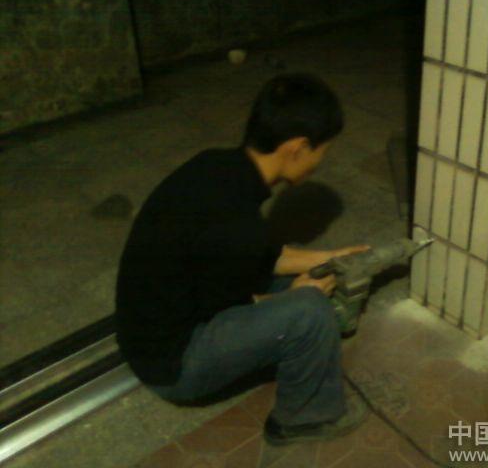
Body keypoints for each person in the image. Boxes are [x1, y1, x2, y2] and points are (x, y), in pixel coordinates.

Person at [115, 73, 369, 445]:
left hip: (147, 332)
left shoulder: (217, 166)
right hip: (174, 364)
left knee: (309, 281)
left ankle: (305, 333)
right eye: (322, 151)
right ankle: (303, 419)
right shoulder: (238, 227)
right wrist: (296, 297)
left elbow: (260, 254)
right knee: (310, 311)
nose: (319, 162)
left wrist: (332, 257)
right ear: (297, 148)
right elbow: (228, 303)